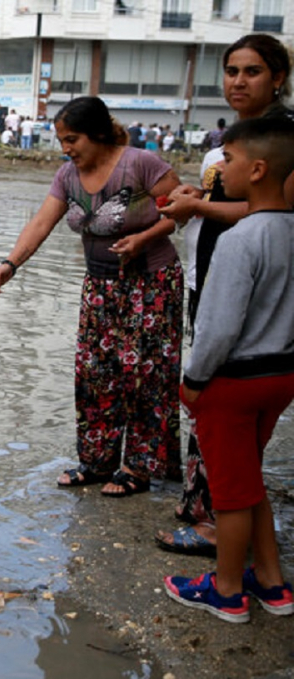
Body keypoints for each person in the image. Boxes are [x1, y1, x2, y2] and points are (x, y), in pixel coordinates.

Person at [0, 96, 183, 496]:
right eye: (61, 140)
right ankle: (96, 461)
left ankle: (139, 467)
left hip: (152, 286)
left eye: (72, 139)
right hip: (99, 287)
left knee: (145, 377)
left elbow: (182, 209)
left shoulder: (140, 164)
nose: (66, 149)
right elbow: (42, 221)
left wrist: (143, 238)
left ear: (97, 134)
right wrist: (10, 264)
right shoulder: (68, 176)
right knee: (94, 374)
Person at [156, 33, 294, 556]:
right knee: (216, 412)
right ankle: (205, 504)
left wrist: (198, 209)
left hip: (250, 289)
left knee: (223, 403)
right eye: (232, 70)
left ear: (277, 77)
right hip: (215, 277)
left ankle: (221, 529)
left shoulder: (282, 140)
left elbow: (275, 210)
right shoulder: (235, 138)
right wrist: (197, 195)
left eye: (252, 71)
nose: (238, 81)